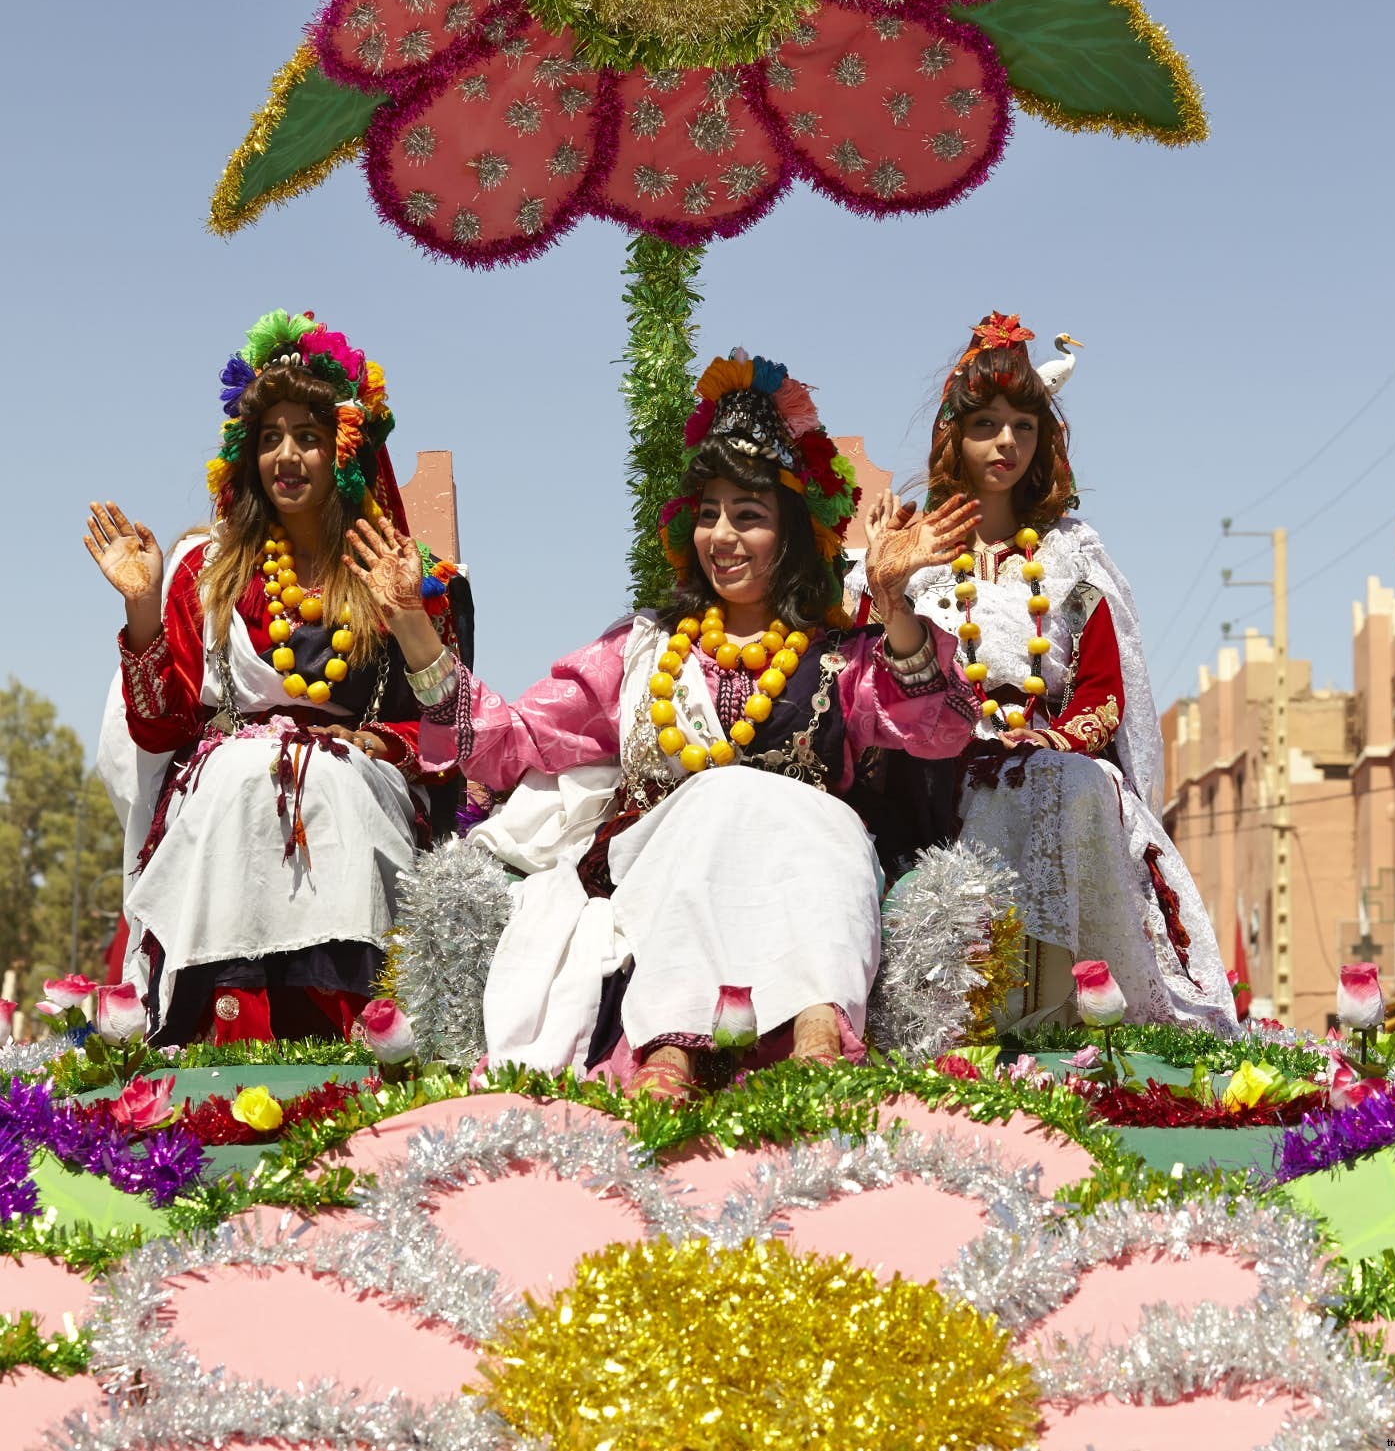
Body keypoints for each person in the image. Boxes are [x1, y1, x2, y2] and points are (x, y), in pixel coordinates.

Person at [350, 352, 979, 1098]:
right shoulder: (639, 653)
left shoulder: (843, 658)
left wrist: (894, 603)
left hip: (805, 879)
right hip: (665, 880)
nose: (723, 535)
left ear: (793, 534)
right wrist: (413, 628)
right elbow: (505, 745)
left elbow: (941, 729)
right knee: (715, 799)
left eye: (749, 516)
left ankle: (817, 1036)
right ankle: (669, 1050)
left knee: (806, 817)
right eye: (710, 513)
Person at [89, 310, 457, 1045]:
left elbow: (446, 730)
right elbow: (160, 729)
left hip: (360, 783)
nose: (286, 456)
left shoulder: (397, 570)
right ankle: (219, 1029)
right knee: (241, 776)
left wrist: (374, 742)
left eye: (307, 437)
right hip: (226, 787)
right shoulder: (206, 571)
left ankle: (355, 1030)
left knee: (332, 784)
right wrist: (142, 609)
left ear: (344, 450)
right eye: (269, 438)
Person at [870, 313, 1236, 1036]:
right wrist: (887, 583)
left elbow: (1103, 690)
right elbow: (871, 679)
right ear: (954, 435)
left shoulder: (1072, 556)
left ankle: (1061, 1024)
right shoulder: (911, 548)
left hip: (1053, 762)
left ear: (1044, 440)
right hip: (932, 774)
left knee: (1062, 784)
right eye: (986, 424)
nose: (1006, 441)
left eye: (1023, 425)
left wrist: (1050, 741)